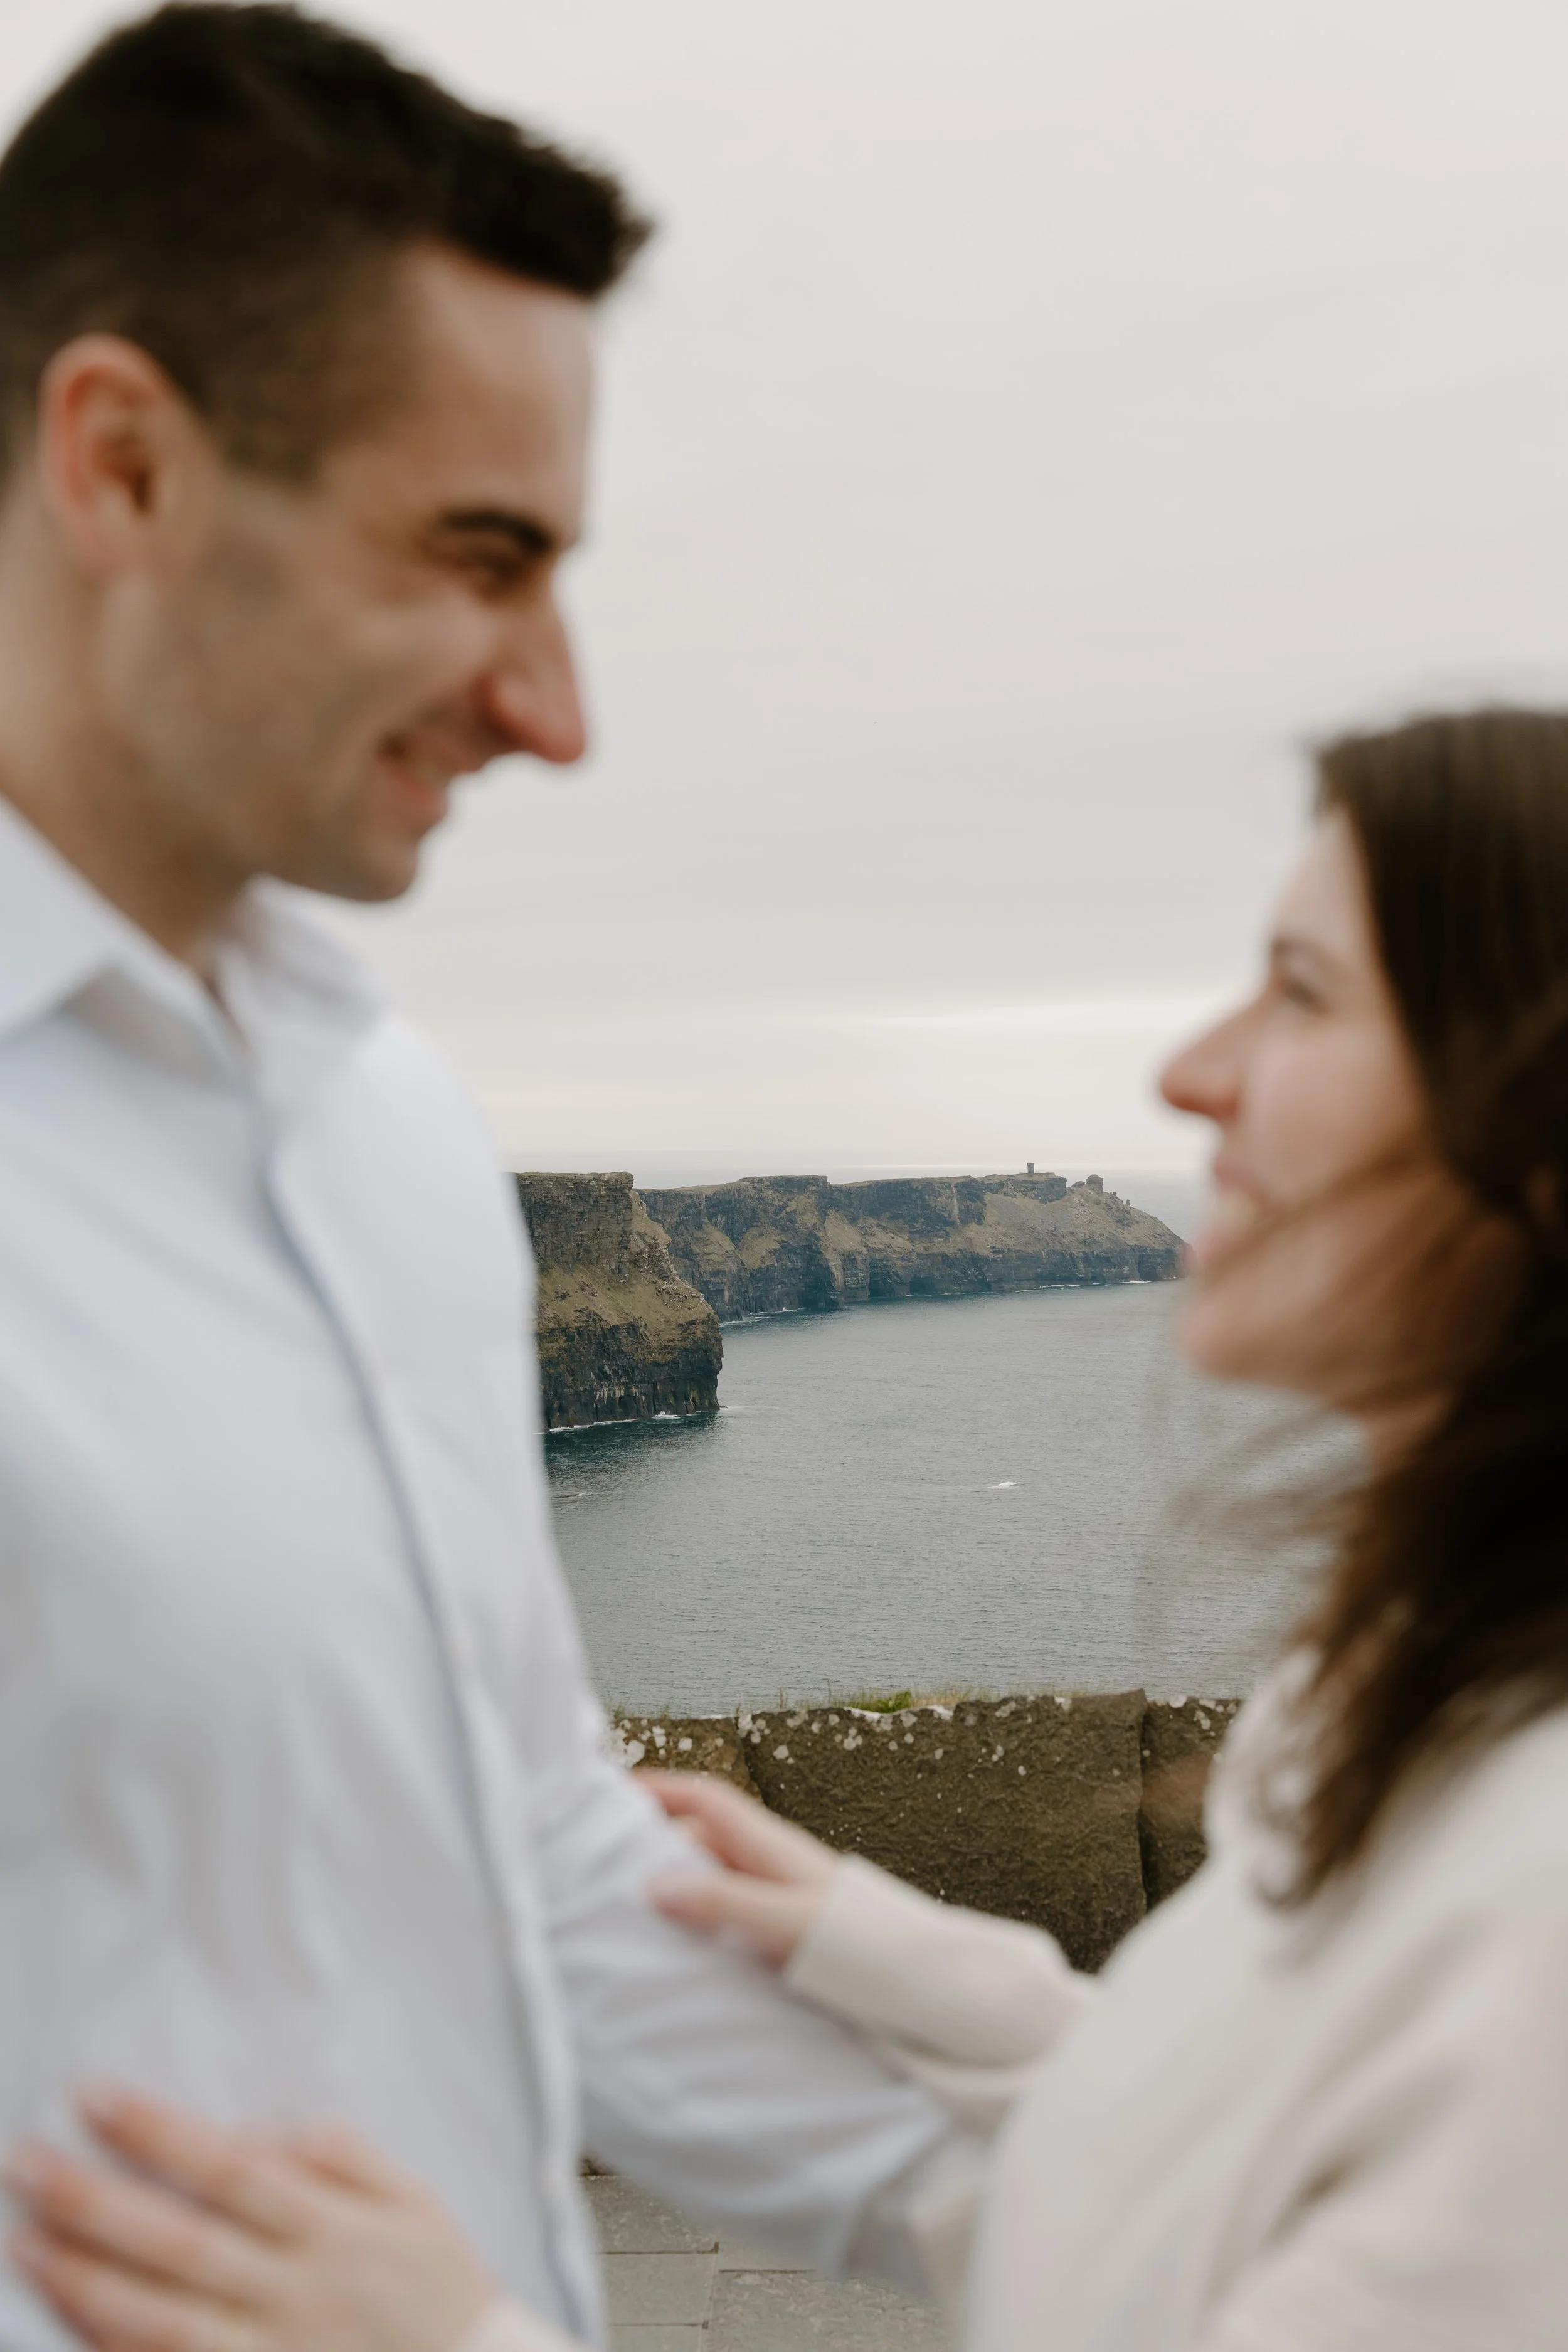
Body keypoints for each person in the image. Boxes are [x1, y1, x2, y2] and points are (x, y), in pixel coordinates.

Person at [19, 706, 1568, 2351]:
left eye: (1304, 991)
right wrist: (932, 1974)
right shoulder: (1420, 1688)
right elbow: (1248, 2202)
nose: (1189, 1068)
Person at [0, 8, 973, 2347]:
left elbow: (521, 1859)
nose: (556, 709)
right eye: (476, 554)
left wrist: (1182, 2207)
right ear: (119, 466)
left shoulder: (389, 1125)